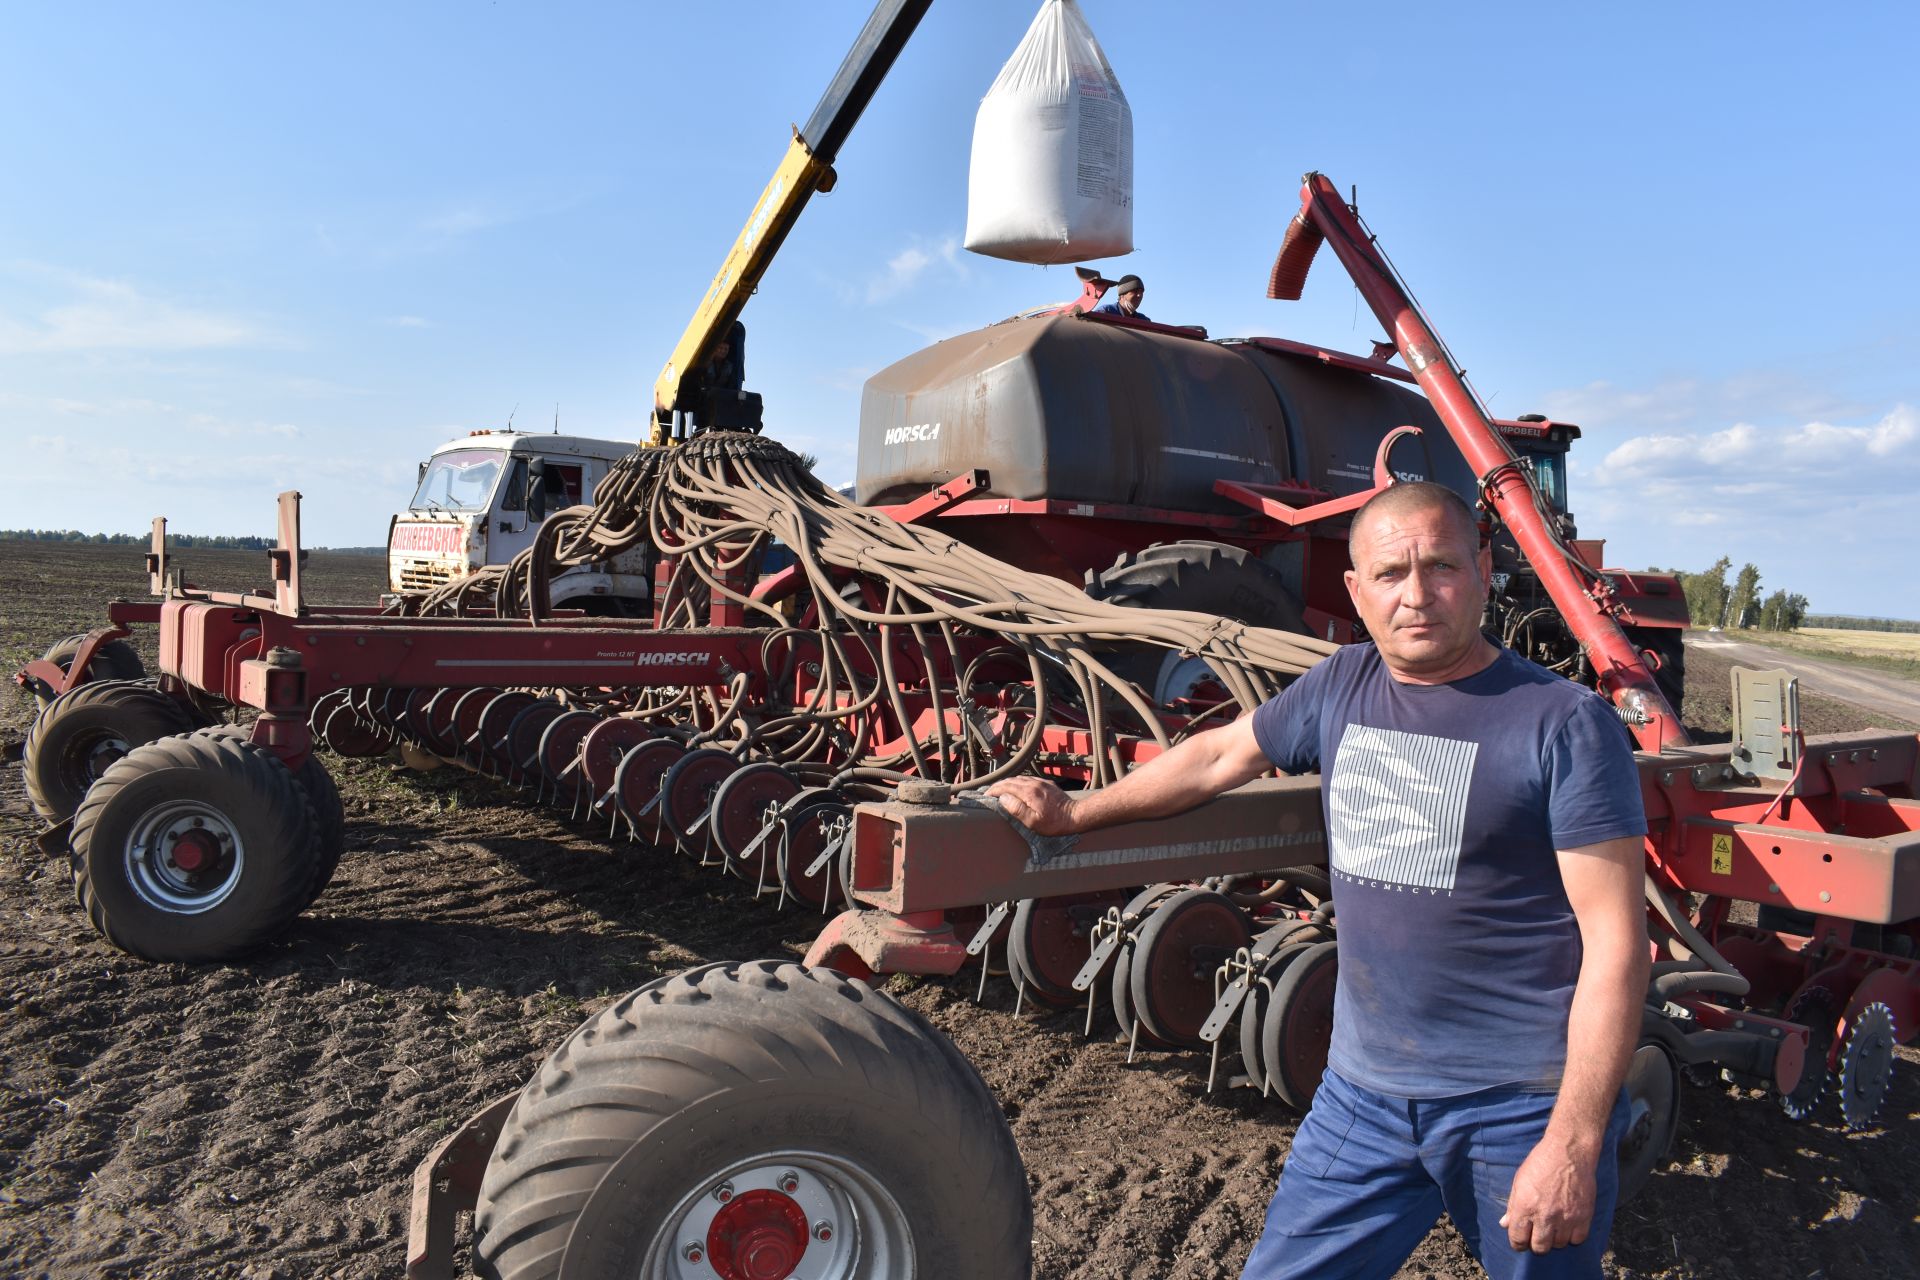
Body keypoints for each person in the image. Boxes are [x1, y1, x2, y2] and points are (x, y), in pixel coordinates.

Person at [986, 480, 1649, 1279]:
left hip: (1516, 1105)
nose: (1417, 595)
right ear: (1355, 590)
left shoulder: (1563, 723)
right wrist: (1077, 812)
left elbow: (1617, 947)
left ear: (1481, 569)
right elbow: (1217, 756)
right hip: (1362, 1096)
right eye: (1391, 574)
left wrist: (1572, 1143)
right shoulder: (1342, 685)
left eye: (1440, 566)